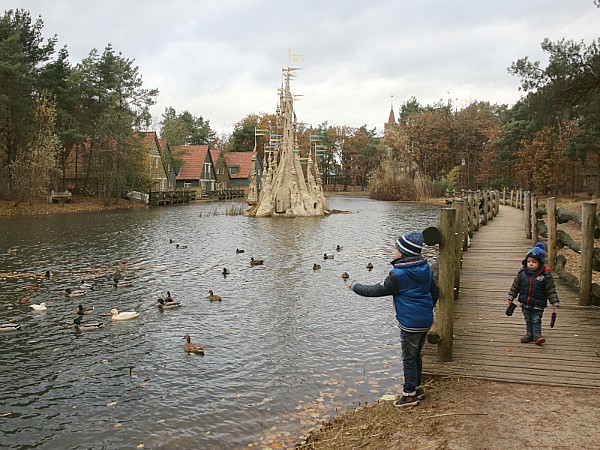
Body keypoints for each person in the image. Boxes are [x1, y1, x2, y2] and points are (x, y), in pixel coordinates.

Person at [347, 231, 439, 407]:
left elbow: (375, 290)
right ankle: (417, 388)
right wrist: (428, 309)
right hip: (425, 320)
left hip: (410, 324)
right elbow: (435, 292)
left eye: (396, 248)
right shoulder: (425, 268)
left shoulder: (398, 275)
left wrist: (355, 286)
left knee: (408, 358)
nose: (394, 251)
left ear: (403, 252)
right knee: (416, 355)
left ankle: (409, 395)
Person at [507, 242, 559, 345]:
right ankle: (529, 334)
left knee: (536, 318)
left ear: (540, 263)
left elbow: (550, 290)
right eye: (529, 261)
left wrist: (554, 302)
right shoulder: (522, 274)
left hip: (538, 303)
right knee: (528, 318)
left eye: (534, 262)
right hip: (525, 302)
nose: (530, 264)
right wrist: (511, 296)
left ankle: (537, 335)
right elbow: (515, 286)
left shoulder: (545, 276)